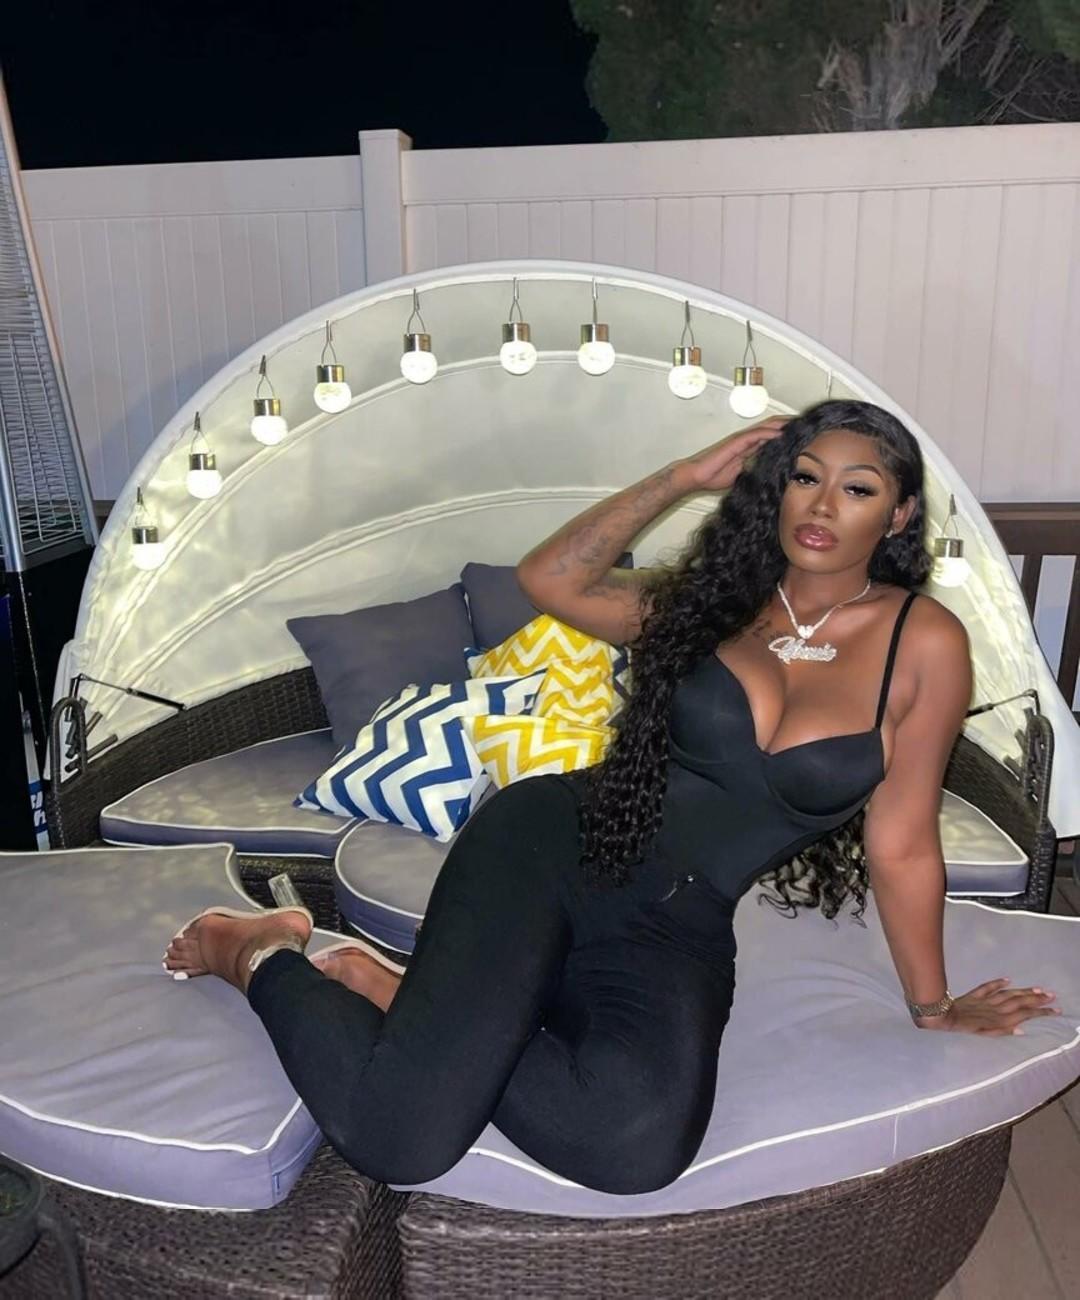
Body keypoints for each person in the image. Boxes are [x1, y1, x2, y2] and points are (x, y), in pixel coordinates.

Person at [164, 399, 1058, 1195]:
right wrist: (682, 478)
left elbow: (902, 845)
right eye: (803, 477)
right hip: (550, 847)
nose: (821, 506)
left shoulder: (924, 644)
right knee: (400, 1139)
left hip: (675, 917)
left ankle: (407, 998)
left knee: (633, 1146)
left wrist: (933, 1005)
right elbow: (551, 580)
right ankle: (254, 950)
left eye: (856, 489)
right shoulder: (712, 601)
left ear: (898, 514)